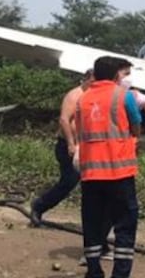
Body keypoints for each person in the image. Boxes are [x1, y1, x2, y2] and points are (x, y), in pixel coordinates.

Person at [77, 56, 142, 278]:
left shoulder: (83, 99)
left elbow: (81, 132)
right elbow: (136, 124)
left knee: (93, 223)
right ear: (116, 75)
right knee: (125, 224)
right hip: (119, 172)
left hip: (91, 174)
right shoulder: (123, 96)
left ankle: (94, 271)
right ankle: (120, 274)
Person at [31, 69, 93, 225]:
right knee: (69, 181)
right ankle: (39, 205)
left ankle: (93, 224)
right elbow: (64, 120)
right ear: (86, 79)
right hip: (68, 145)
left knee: (90, 185)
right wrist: (71, 143)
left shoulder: (92, 96)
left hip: (86, 146)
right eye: (93, 80)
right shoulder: (75, 95)